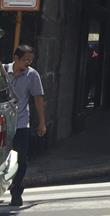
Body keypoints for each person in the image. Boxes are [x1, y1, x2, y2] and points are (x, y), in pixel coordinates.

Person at [5, 45, 46, 208]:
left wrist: (42, 121)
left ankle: (16, 192)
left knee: (21, 159)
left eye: (30, 60)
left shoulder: (32, 75)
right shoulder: (2, 71)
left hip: (21, 123)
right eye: (25, 59)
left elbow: (38, 98)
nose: (28, 63)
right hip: (3, 124)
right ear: (15, 58)